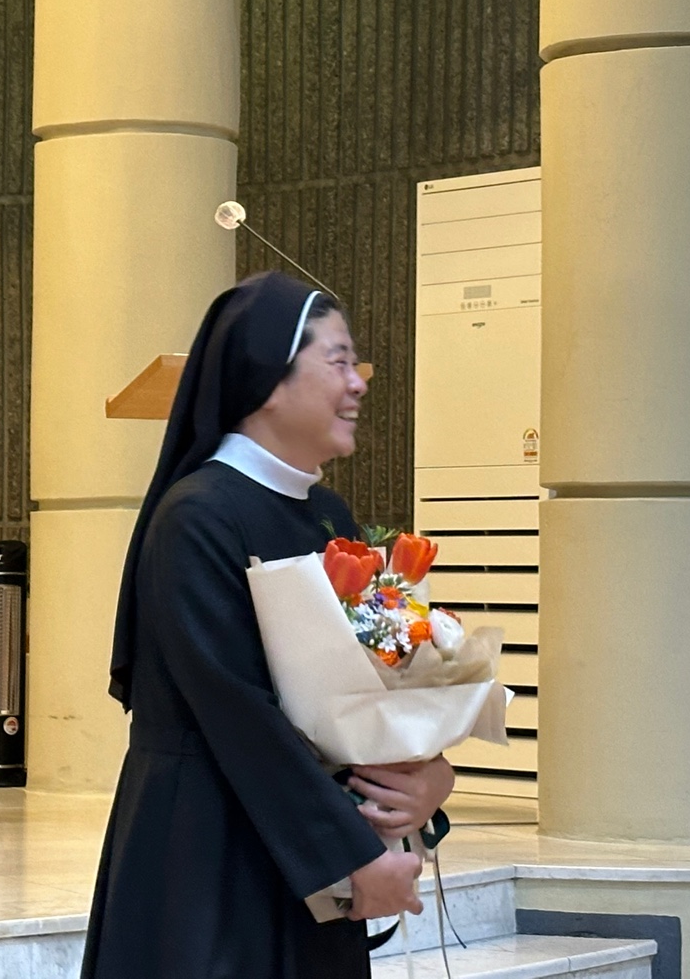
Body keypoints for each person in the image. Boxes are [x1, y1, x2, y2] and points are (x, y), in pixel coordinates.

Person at [82, 272, 455, 979]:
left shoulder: (330, 516)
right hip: (208, 856)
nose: (359, 382)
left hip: (305, 839)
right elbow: (239, 716)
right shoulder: (198, 517)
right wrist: (352, 856)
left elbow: (369, 691)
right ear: (268, 376)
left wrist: (427, 776)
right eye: (338, 360)